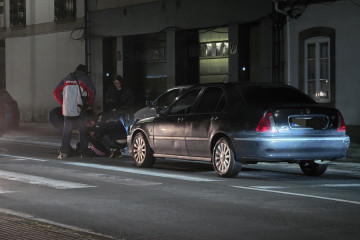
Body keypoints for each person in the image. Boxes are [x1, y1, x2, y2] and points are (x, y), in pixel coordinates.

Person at [53, 64, 96, 159]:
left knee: (67, 131)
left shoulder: (67, 78)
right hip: (80, 109)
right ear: (84, 71)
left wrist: (63, 104)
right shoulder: (85, 78)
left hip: (68, 109)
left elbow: (56, 91)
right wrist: (87, 104)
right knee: (83, 130)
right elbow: (92, 92)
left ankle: (64, 152)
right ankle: (84, 153)